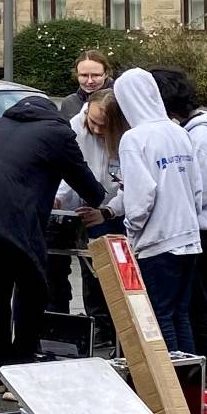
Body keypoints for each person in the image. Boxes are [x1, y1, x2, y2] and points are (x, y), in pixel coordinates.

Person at [0, 96, 105, 398]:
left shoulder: (1, 124)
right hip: (12, 219)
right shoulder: (58, 133)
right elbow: (90, 189)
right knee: (34, 289)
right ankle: (22, 370)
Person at [112, 68, 205, 357]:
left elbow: (141, 196)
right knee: (180, 314)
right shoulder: (178, 131)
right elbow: (197, 187)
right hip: (189, 236)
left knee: (159, 315)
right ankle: (192, 386)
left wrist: (132, 228)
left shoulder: (134, 139)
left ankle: (170, 388)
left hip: (158, 240)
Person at [154, 68, 207, 384]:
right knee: (196, 299)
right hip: (203, 227)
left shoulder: (200, 138)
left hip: (203, 229)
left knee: (199, 301)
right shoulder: (199, 133)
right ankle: (206, 364)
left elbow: (198, 191)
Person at [52, 89, 128, 345]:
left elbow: (131, 187)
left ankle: (112, 327)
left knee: (107, 272)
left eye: (103, 126)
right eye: (92, 121)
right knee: (86, 270)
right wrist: (60, 198)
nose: (96, 130)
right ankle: (95, 324)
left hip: (112, 207)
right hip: (81, 205)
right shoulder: (75, 126)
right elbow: (68, 168)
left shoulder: (126, 137)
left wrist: (108, 210)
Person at [59, 49, 112, 119]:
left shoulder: (119, 101)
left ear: (106, 74)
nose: (90, 81)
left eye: (95, 75)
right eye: (84, 75)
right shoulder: (69, 103)